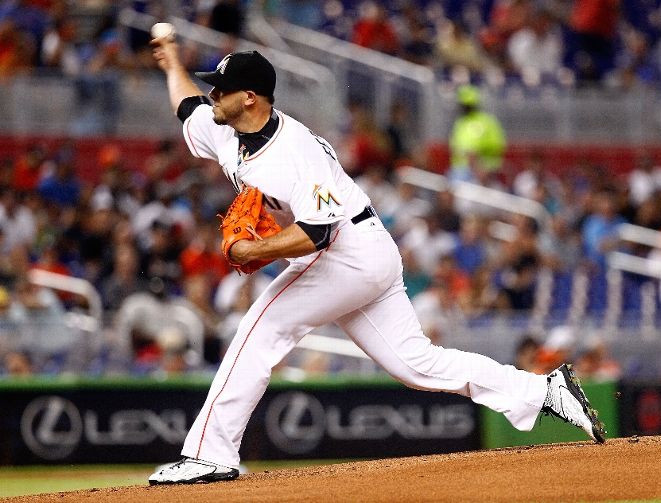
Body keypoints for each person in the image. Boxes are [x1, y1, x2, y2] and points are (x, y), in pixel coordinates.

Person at [148, 36, 605, 485]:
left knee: (260, 329)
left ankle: (210, 456)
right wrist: (172, 66)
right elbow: (188, 109)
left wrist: (253, 250)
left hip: (347, 251)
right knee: (417, 365)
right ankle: (544, 391)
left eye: (221, 89)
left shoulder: (293, 152)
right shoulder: (228, 130)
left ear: (249, 98)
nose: (212, 95)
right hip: (362, 252)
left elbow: (318, 231)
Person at [448, 84, 506, 183]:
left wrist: (477, 154)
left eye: (467, 105)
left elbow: (498, 144)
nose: (464, 107)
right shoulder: (460, 122)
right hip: (460, 169)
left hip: (485, 169)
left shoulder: (487, 121)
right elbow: (454, 145)